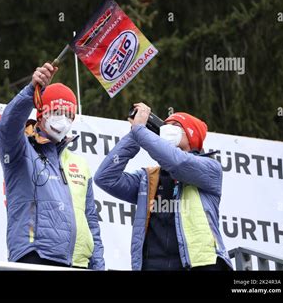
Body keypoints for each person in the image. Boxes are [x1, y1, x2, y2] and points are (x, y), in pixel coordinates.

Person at [94, 103, 233, 270]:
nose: (168, 130)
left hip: (200, 265)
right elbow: (105, 178)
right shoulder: (149, 179)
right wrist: (134, 135)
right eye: (164, 127)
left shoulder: (210, 168)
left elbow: (178, 162)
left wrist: (140, 131)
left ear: (192, 136)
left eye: (175, 126)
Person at [0, 62, 104, 269]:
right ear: (41, 113)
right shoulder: (21, 150)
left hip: (78, 262)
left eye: (69, 114)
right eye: (57, 110)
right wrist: (31, 91)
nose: (63, 119)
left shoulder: (79, 163)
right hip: (35, 255)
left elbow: (91, 219)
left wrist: (97, 264)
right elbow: (6, 128)